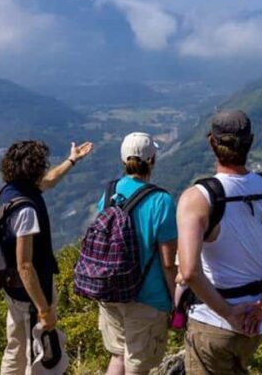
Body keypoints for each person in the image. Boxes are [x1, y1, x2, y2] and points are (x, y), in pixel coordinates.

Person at [177, 109, 262, 375]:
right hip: (257, 321)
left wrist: (228, 313)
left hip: (212, 320)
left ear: (211, 142)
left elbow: (189, 271)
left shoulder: (198, 198)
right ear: (251, 141)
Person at [0, 139, 93, 375]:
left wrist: (72, 160)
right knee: (38, 353)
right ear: (34, 168)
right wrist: (43, 308)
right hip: (32, 292)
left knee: (16, 346)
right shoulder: (26, 210)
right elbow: (25, 265)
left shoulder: (10, 191)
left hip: (12, 288)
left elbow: (48, 181)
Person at [96, 132, 178, 375]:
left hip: (111, 291)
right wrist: (177, 300)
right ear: (152, 160)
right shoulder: (161, 200)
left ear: (123, 160)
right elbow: (167, 262)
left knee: (118, 356)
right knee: (138, 366)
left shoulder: (109, 192)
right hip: (147, 297)